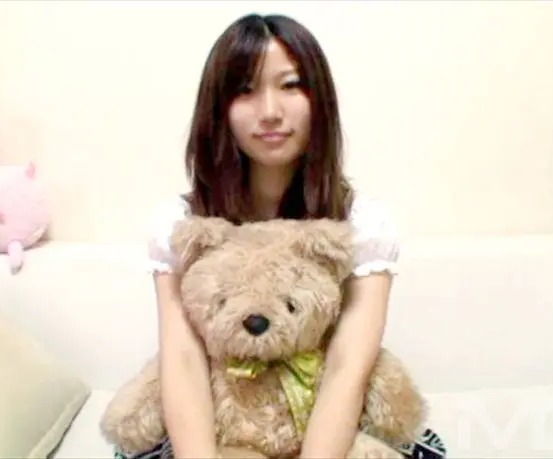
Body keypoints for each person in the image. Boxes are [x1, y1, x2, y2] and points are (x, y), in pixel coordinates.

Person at [122, 12, 447, 459]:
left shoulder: (361, 224)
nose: (270, 111)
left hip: (326, 430)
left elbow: (348, 368)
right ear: (219, 108)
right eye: (245, 90)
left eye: (291, 85)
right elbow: (182, 358)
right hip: (219, 427)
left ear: (319, 98)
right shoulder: (183, 223)